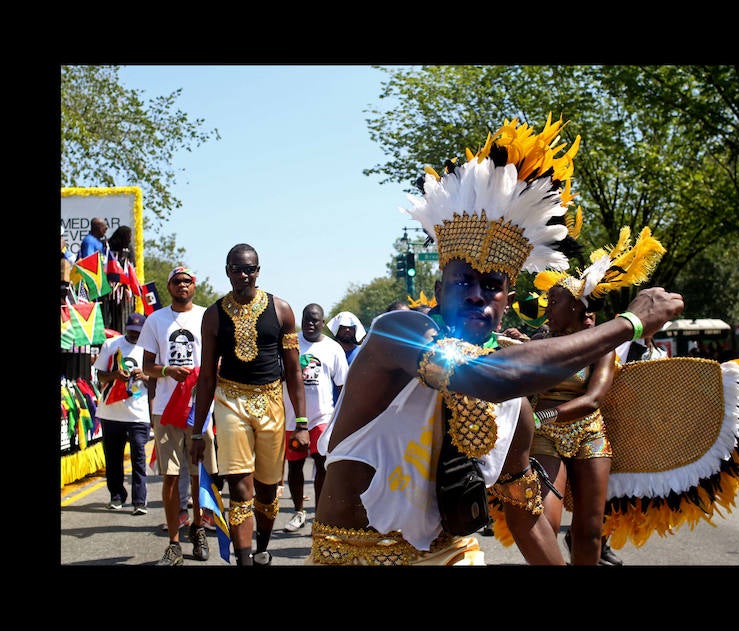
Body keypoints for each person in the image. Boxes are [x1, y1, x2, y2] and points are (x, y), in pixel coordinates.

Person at [309, 113, 684, 565]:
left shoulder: (515, 406)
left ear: (508, 298)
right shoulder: (400, 334)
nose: (476, 296)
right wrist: (629, 323)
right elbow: (479, 376)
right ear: (441, 284)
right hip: (353, 556)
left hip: (452, 553)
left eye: (491, 286)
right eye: (463, 281)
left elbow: (526, 517)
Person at [529, 227, 665, 566]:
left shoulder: (601, 348)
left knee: (589, 533)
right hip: (546, 437)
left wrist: (540, 416)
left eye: (555, 301)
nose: (547, 308)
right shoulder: (538, 344)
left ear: (576, 306)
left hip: (589, 434)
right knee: (545, 523)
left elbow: (593, 400)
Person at [190, 244, 307, 567]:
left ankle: (262, 550)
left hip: (271, 401)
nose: (244, 275)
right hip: (230, 402)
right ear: (227, 271)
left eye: (250, 269)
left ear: (258, 271)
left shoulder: (281, 310)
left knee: (268, 491)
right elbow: (206, 376)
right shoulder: (213, 315)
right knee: (240, 487)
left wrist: (302, 422)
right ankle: (243, 560)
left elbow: (294, 370)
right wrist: (198, 432)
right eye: (238, 269)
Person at [138, 266, 218, 565]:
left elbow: (216, 361)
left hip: (199, 409)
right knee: (170, 478)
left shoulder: (206, 316)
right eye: (176, 281)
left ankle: (199, 528)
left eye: (187, 281)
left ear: (194, 286)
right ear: (169, 287)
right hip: (166, 409)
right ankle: (174, 541)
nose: (182, 285)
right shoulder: (155, 320)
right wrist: (167, 371)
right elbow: (147, 366)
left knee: (200, 476)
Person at [281, 303, 349, 534]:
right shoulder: (291, 344)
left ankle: (319, 515)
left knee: (322, 465)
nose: (310, 324)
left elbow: (342, 385)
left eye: (315, 320)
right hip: (292, 418)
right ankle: (299, 511)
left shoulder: (333, 349)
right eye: (306, 319)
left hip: (323, 418)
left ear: (323, 323)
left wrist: (340, 418)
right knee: (295, 465)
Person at [94, 312, 152, 514]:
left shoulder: (150, 347)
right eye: (131, 331)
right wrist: (114, 375)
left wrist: (143, 375)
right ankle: (117, 496)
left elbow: (158, 378)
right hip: (111, 412)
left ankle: (139, 501)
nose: (134, 335)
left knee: (138, 457)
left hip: (138, 414)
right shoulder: (111, 345)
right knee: (113, 458)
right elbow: (100, 376)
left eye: (138, 332)